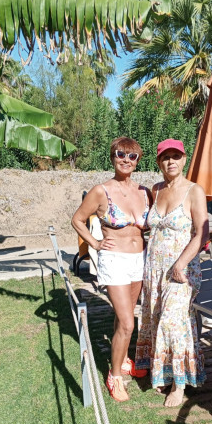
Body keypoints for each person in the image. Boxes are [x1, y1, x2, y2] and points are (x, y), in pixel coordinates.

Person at [71, 137, 152, 402]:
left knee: (123, 317)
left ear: (138, 161)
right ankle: (115, 376)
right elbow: (77, 220)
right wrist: (94, 243)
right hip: (114, 260)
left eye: (132, 156)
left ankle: (125, 359)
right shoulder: (100, 191)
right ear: (112, 157)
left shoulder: (144, 192)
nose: (126, 160)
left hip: (139, 260)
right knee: (128, 322)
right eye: (120, 154)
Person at [135, 139, 209, 407]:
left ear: (184, 159)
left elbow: (202, 233)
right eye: (165, 157)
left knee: (173, 322)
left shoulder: (194, 191)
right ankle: (163, 372)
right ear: (159, 162)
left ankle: (179, 385)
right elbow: (147, 226)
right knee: (156, 319)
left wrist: (180, 263)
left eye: (176, 156)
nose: (171, 161)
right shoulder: (156, 190)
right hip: (154, 269)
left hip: (182, 270)